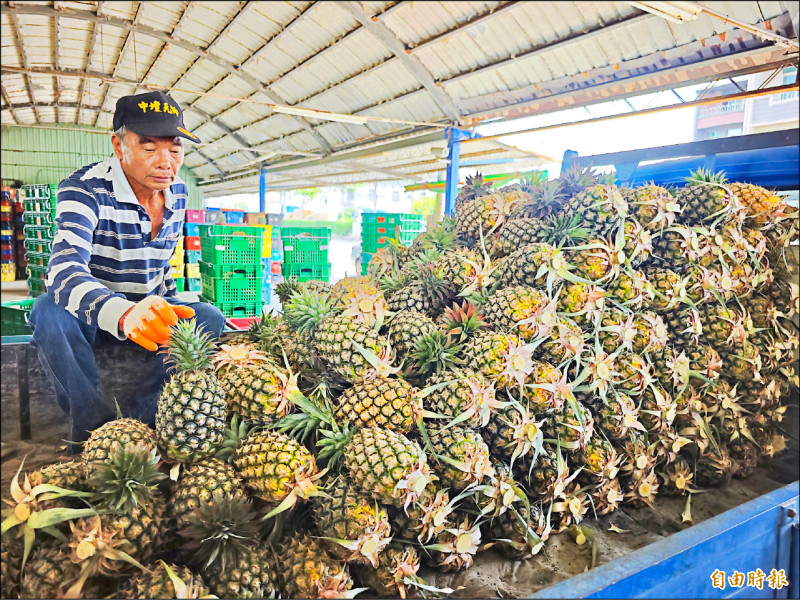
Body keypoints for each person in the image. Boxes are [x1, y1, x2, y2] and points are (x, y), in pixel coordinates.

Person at [28, 91, 225, 453]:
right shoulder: (84, 189)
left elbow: (163, 265)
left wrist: (163, 305)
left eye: (175, 149)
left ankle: (142, 425)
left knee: (208, 317)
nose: (166, 162)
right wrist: (123, 313)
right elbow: (63, 269)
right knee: (47, 310)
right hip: (92, 314)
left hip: (148, 314)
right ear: (119, 146)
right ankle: (90, 434)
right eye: (149, 149)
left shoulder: (178, 194)